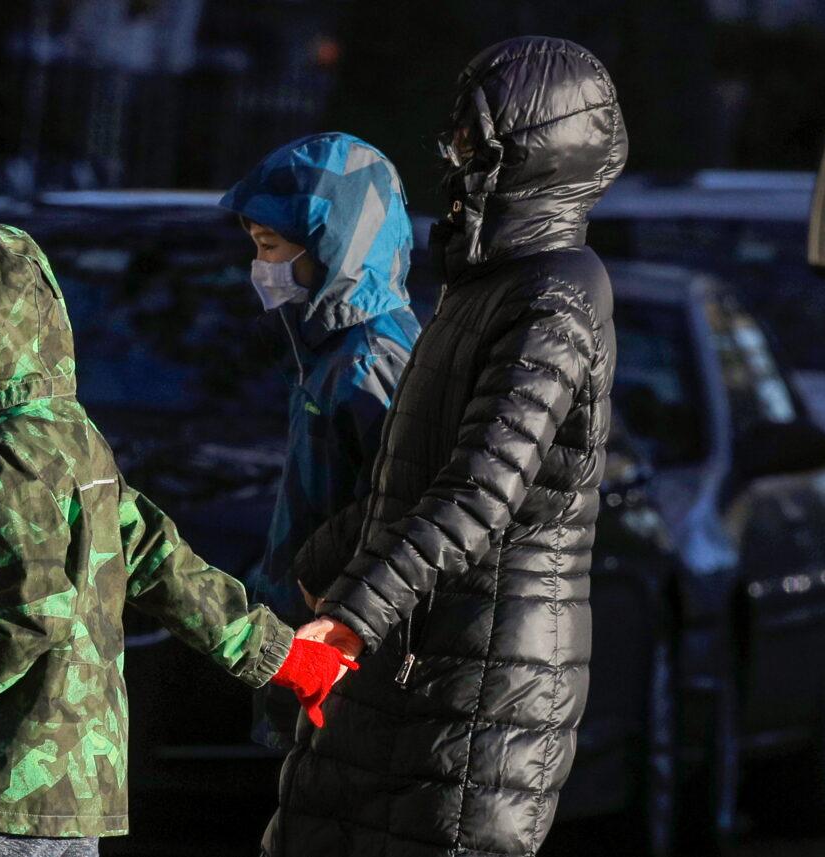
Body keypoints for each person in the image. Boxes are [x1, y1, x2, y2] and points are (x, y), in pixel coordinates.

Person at [0, 224, 354, 856]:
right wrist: (281, 655)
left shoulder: (3, 453)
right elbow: (159, 558)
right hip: (72, 785)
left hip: (3, 777)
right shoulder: (74, 437)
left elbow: (33, 604)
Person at [263, 36, 627, 857]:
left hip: (484, 678)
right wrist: (310, 579)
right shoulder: (481, 287)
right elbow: (405, 477)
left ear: (529, 156)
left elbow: (479, 491)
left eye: (473, 146)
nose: (455, 164)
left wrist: (350, 617)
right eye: (455, 142)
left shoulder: (558, 295)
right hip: (411, 655)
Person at [218, 132, 421, 748]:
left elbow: (400, 507)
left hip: (341, 664)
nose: (262, 267)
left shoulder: (369, 359)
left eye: (272, 246)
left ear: (336, 247)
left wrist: (320, 582)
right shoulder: (327, 350)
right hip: (311, 653)